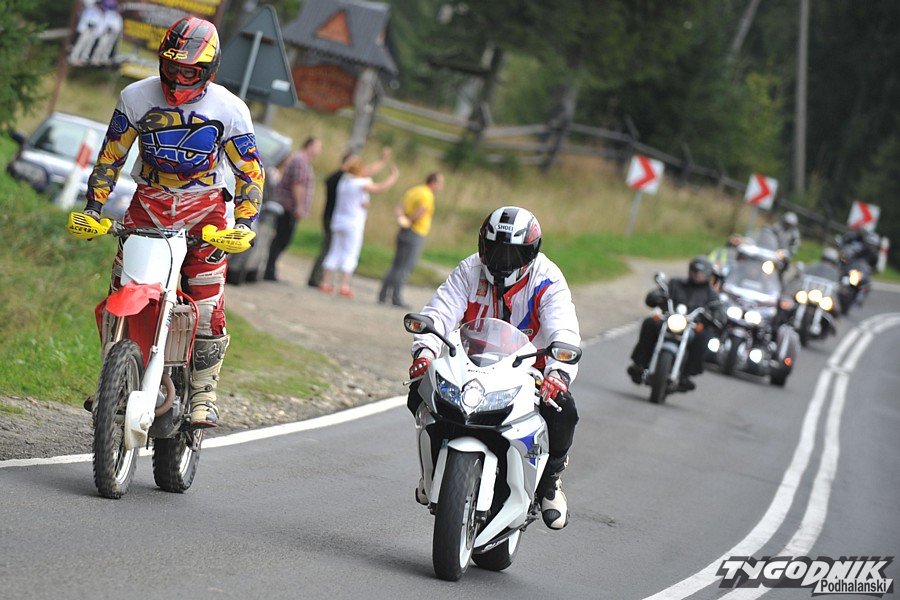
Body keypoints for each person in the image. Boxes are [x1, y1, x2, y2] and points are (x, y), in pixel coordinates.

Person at [81, 16, 265, 428]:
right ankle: (112, 379)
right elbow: (110, 156)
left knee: (207, 301)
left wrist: (244, 224)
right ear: (161, 61)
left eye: (190, 71)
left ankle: (203, 393)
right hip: (148, 204)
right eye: (172, 67)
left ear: (209, 70)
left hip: (206, 212)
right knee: (121, 291)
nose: (179, 78)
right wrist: (93, 209)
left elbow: (250, 172)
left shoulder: (230, 109)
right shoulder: (135, 96)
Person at [407, 206, 581, 530]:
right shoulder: (469, 270)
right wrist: (425, 352)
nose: (502, 261)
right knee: (420, 389)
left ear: (531, 253)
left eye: (513, 253)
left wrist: (557, 373)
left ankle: (550, 480)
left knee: (563, 411)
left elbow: (563, 328)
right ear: (482, 246)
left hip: (529, 371)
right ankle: (431, 470)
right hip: (470, 364)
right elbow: (440, 312)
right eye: (495, 250)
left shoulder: (547, 280)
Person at [627, 256, 719, 391]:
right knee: (650, 323)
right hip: (670, 319)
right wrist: (656, 297)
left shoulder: (711, 294)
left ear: (708, 275)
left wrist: (715, 316)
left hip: (692, 326)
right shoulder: (676, 283)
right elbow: (657, 294)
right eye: (695, 271)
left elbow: (718, 310)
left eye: (701, 272)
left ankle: (686, 375)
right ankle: (640, 364)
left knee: (705, 336)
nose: (697, 275)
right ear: (690, 270)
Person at [307, 147, 392, 288]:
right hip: (350, 221)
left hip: (336, 219)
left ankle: (324, 281)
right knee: (348, 253)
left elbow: (367, 171)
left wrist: (382, 161)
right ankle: (342, 284)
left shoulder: (344, 181)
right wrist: (392, 175)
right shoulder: (355, 182)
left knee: (333, 251)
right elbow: (378, 186)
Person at [378, 172, 444, 307]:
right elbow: (421, 210)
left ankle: (383, 295)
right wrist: (409, 220)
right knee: (406, 266)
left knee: (396, 264)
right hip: (415, 232)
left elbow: (399, 206)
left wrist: (401, 219)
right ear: (433, 182)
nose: (441, 186)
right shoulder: (427, 194)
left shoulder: (414, 190)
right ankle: (396, 297)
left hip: (404, 231)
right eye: (440, 183)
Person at [263, 136, 322, 282]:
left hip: (289, 206)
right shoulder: (300, 161)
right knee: (282, 238)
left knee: (282, 239)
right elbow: (298, 184)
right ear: (309, 146)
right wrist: (299, 206)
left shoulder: (303, 161)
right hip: (288, 206)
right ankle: (269, 269)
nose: (319, 150)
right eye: (317, 146)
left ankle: (270, 268)